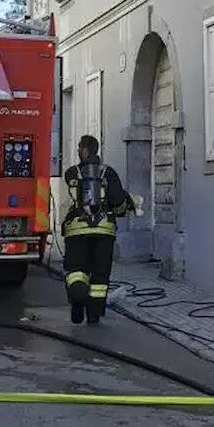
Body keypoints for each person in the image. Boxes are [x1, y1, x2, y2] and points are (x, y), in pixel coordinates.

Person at [62, 135, 136, 324]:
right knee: (100, 276)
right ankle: (94, 315)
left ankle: (77, 301)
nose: (77, 151)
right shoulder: (109, 173)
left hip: (76, 231)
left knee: (76, 270)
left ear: (84, 150)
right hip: (104, 232)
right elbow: (118, 202)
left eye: (79, 148)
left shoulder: (71, 172)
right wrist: (126, 204)